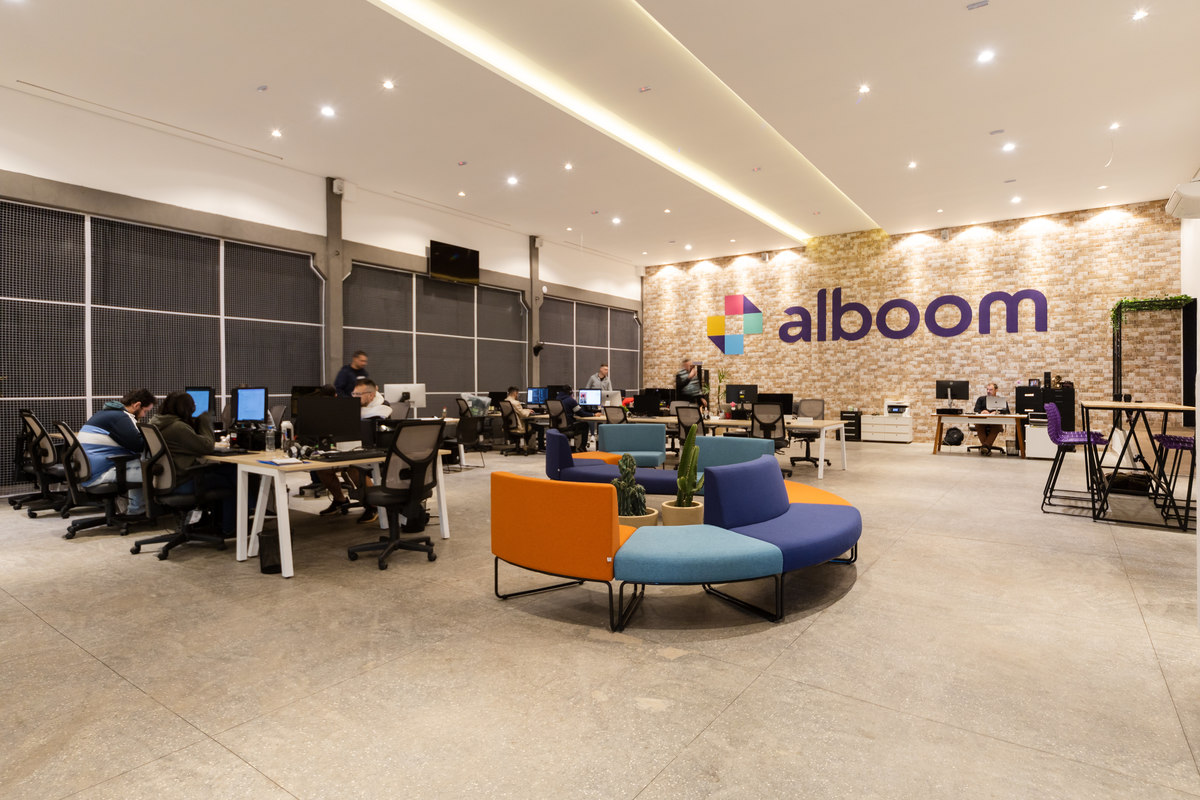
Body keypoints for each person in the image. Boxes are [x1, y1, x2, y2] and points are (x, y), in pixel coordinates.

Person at [149, 391, 240, 534]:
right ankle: (230, 528)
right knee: (236, 476)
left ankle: (213, 523)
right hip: (183, 482)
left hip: (166, 480)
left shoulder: (156, 423)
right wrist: (205, 422)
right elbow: (207, 446)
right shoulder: (177, 427)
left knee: (228, 469)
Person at [318, 379, 391, 523]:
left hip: (375, 453)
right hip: (351, 448)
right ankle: (340, 500)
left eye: (358, 394)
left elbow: (375, 438)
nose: (355, 397)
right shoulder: (356, 408)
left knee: (354, 468)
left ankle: (374, 506)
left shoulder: (382, 409)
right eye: (354, 394)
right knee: (323, 469)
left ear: (371, 395)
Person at [78, 388, 156, 516]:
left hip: (89, 471)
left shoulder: (107, 413)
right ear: (137, 405)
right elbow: (138, 445)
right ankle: (137, 511)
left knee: (142, 463)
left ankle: (136, 509)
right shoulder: (120, 417)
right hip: (100, 473)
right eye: (145, 411)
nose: (144, 416)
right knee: (152, 471)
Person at [972, 382, 1010, 456]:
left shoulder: (1001, 400)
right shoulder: (981, 399)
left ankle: (985, 447)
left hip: (995, 422)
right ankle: (986, 447)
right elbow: (976, 409)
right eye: (987, 389)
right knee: (978, 425)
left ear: (996, 390)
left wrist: (997, 412)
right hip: (983, 421)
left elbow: (1007, 411)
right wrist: (982, 411)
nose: (988, 391)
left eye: (991, 390)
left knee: (997, 426)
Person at [554, 385, 590, 451]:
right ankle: (581, 447)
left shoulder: (556, 400)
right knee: (585, 425)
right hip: (568, 427)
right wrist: (593, 414)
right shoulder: (571, 400)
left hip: (557, 427)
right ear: (570, 392)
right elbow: (581, 414)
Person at [504, 386, 538, 454]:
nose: (518, 395)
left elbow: (518, 411)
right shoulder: (515, 402)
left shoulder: (506, 401)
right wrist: (529, 411)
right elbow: (523, 414)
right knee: (538, 427)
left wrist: (527, 410)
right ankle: (532, 448)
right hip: (518, 427)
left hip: (509, 426)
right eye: (517, 393)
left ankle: (523, 446)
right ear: (515, 393)